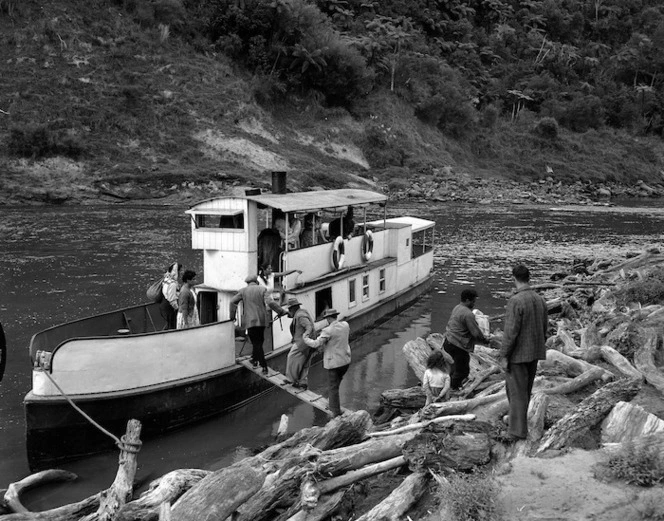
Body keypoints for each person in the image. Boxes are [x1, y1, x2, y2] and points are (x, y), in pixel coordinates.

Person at [500, 264, 548, 440]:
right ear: (529, 278)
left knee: (516, 392)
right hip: (534, 351)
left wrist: (504, 355)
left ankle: (517, 431)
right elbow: (544, 327)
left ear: (514, 278)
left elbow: (511, 332)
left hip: (518, 354)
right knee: (525, 390)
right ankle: (518, 423)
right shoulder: (539, 299)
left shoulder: (516, 301)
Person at [229, 275, 285, 374]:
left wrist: (232, 316)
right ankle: (255, 360)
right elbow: (270, 302)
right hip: (262, 320)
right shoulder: (262, 289)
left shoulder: (243, 291)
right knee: (259, 342)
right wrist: (280, 311)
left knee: (256, 343)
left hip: (250, 321)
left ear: (247, 283)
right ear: (256, 281)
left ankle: (263, 365)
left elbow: (232, 302)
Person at [303, 308, 351, 417]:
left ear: (328, 318)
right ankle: (333, 403)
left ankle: (335, 412)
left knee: (333, 387)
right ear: (336, 316)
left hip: (334, 363)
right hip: (346, 361)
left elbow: (316, 344)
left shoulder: (327, 330)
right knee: (336, 384)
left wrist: (305, 338)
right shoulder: (345, 325)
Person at [443, 288, 491, 390]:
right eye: (473, 301)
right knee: (463, 371)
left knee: (453, 368)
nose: (474, 303)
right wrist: (485, 340)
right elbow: (476, 333)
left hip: (448, 342)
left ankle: (451, 385)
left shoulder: (457, 307)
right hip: (458, 345)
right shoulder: (468, 314)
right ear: (468, 300)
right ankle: (453, 388)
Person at [283, 297, 314, 389]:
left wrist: (306, 335)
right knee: (304, 361)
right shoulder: (300, 312)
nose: (289, 310)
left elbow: (308, 326)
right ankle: (303, 382)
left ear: (292, 308)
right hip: (308, 341)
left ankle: (290, 378)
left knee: (291, 356)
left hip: (302, 342)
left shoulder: (300, 316)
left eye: (289, 309)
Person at [160, 262, 182, 330]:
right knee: (172, 325)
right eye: (180, 271)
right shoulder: (173, 284)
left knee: (169, 324)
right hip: (169, 307)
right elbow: (172, 300)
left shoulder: (166, 279)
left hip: (163, 305)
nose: (181, 273)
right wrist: (178, 309)